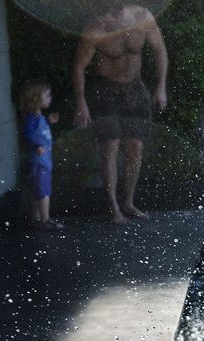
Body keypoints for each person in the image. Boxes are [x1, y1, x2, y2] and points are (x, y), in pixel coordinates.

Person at [71, 0, 168, 224]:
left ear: (120, 15)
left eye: (107, 20)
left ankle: (129, 202)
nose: (102, 23)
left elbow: (160, 50)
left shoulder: (143, 18)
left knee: (136, 146)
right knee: (111, 145)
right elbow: (79, 66)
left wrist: (161, 87)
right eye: (100, 19)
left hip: (135, 88)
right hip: (106, 90)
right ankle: (113, 207)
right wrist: (81, 101)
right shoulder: (94, 30)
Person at [19, 81, 62, 230]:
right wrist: (36, 146)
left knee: (38, 189)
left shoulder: (39, 117)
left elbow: (37, 133)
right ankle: (45, 220)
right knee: (43, 190)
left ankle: (36, 219)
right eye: (47, 95)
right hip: (39, 161)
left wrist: (49, 122)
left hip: (43, 161)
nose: (50, 98)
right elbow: (28, 134)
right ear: (37, 99)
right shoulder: (32, 118)